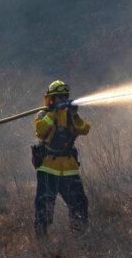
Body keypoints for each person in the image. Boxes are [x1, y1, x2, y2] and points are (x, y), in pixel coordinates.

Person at [33, 80, 90, 239]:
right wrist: (53, 112)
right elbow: (40, 130)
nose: (62, 101)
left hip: (69, 169)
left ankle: (80, 238)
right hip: (48, 169)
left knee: (79, 205)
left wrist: (74, 114)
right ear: (51, 99)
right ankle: (42, 241)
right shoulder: (44, 114)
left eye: (64, 97)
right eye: (58, 98)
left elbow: (84, 129)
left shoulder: (71, 115)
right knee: (43, 208)